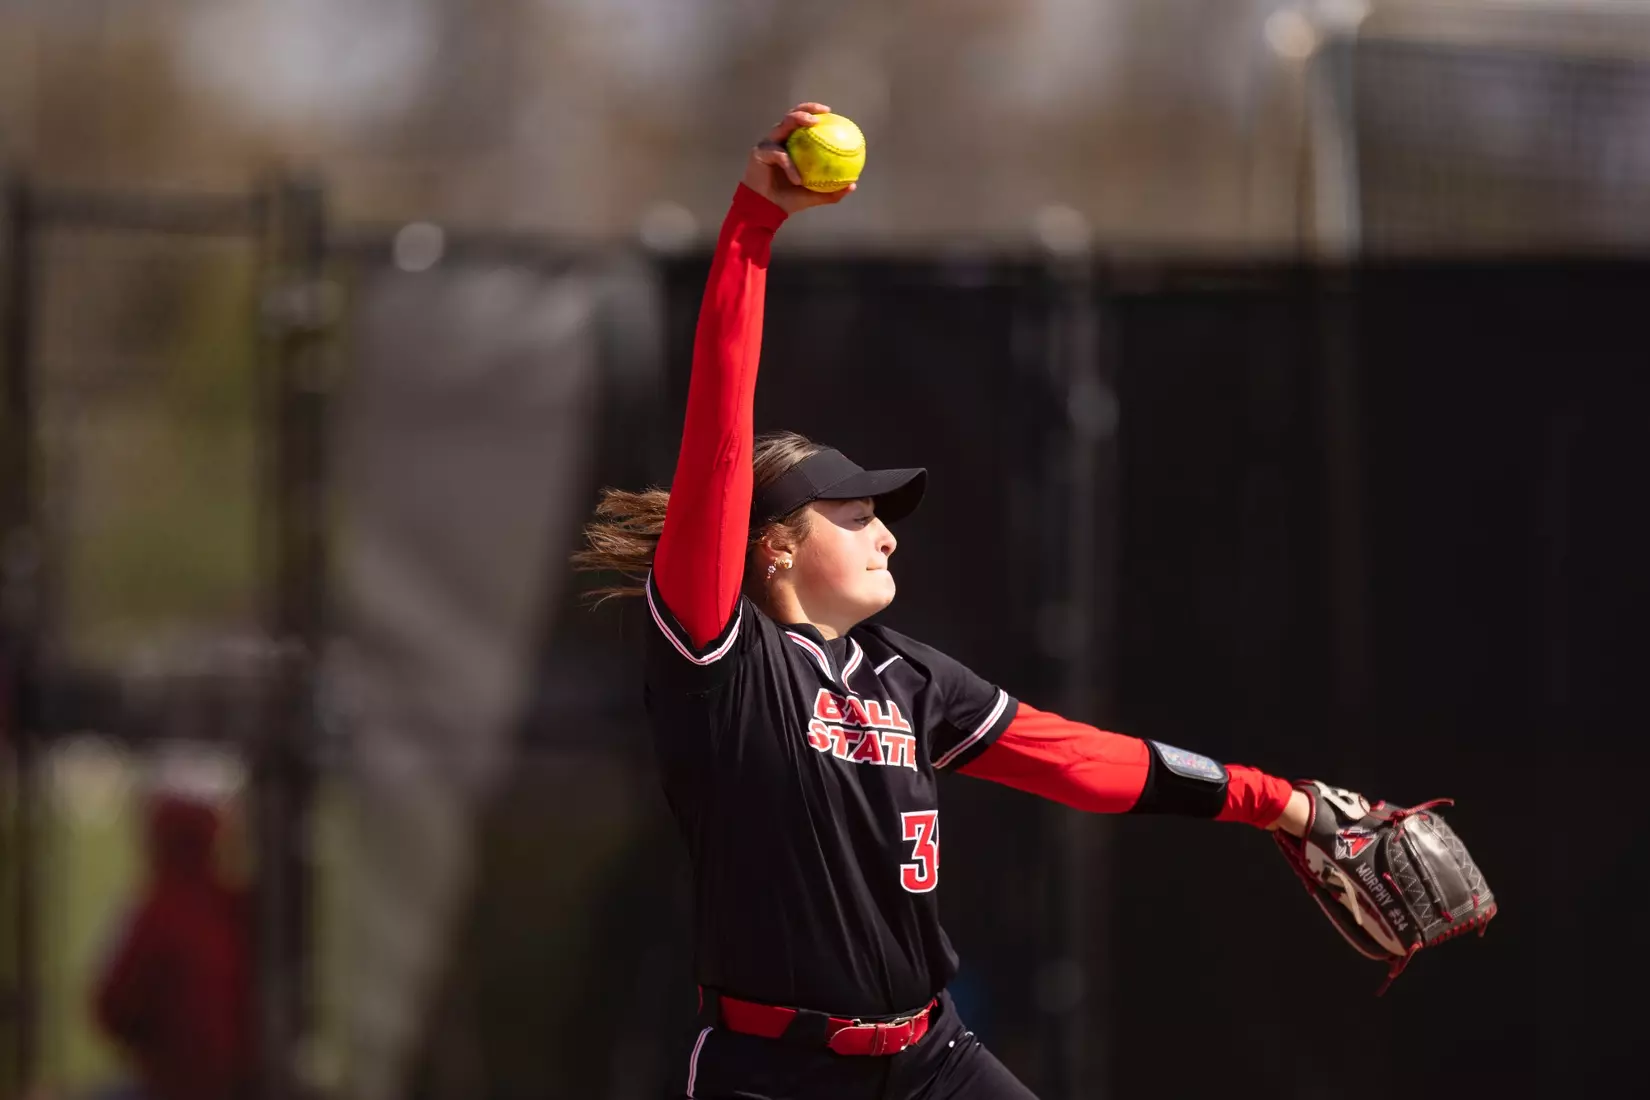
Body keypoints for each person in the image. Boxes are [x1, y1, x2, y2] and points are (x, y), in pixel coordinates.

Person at [573, 102, 1329, 1100]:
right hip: (777, 1072)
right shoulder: (721, 659)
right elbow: (721, 420)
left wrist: (1274, 799)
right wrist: (754, 226)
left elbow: (1079, 761)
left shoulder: (908, 676)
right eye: (853, 513)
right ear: (775, 544)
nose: (887, 530)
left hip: (932, 1058)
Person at [93, 791, 254, 1100]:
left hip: (177, 1087)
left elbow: (112, 1009)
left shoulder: (161, 911)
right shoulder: (234, 905)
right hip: (239, 1084)